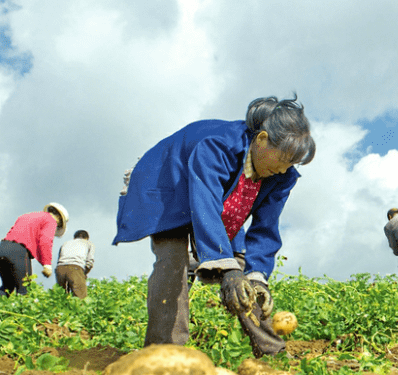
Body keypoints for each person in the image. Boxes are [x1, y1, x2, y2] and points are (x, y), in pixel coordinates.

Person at [113, 96, 316, 357]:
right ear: (262, 139)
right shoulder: (217, 145)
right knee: (173, 260)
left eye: (292, 163)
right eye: (283, 159)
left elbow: (265, 228)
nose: (284, 168)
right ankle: (164, 354)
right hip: (170, 191)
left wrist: (257, 277)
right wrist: (223, 264)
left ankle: (272, 352)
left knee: (243, 278)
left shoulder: (281, 176)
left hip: (220, 205)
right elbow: (204, 200)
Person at [0, 203, 68, 297]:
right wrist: (47, 265)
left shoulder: (26, 216)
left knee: (7, 287)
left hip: (3, 247)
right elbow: (45, 241)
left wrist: (43, 262)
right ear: (59, 219)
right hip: (18, 251)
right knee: (25, 288)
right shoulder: (51, 220)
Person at [55, 230, 95, 298]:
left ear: (75, 237)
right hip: (75, 268)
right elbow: (89, 262)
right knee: (80, 297)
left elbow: (59, 258)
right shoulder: (88, 243)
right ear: (86, 238)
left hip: (60, 269)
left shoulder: (65, 243)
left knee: (61, 297)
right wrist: (84, 273)